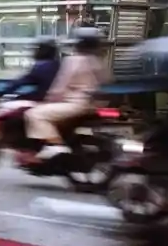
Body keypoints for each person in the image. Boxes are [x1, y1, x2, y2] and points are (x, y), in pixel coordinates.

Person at [22, 26, 108, 164]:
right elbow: (106, 81)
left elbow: (60, 87)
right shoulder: (98, 62)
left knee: (33, 114)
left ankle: (55, 144)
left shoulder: (73, 60)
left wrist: (47, 101)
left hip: (74, 105)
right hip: (93, 106)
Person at [0, 38, 61, 102]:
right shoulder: (58, 64)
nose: (33, 52)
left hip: (43, 100)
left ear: (42, 50)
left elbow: (19, 83)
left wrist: (1, 93)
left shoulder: (41, 66)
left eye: (35, 49)